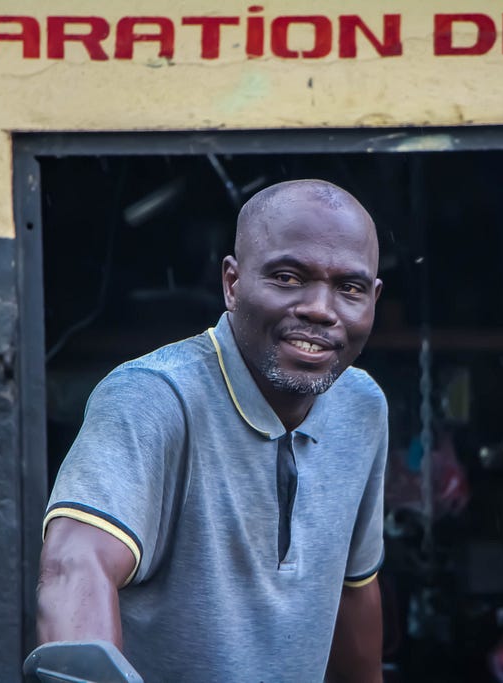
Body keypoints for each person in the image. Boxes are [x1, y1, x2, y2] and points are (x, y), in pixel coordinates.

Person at [35, 179, 387, 682]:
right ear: (232, 282)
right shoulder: (152, 397)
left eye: (349, 288)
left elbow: (355, 592)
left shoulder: (362, 405)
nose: (321, 309)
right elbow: (75, 564)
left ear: (373, 298)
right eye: (288, 278)